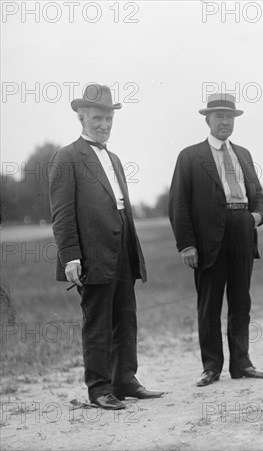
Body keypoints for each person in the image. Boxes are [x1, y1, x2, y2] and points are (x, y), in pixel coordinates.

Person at [49, 84, 163, 410]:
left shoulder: (113, 158)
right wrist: (71, 256)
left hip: (123, 250)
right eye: (97, 118)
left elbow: (120, 206)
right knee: (97, 322)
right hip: (92, 255)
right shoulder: (66, 157)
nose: (104, 125)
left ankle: (124, 379)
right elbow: (62, 214)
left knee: (126, 317)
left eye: (109, 118)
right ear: (81, 117)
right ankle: (99, 388)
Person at [169, 93, 263, 387]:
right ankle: (211, 367)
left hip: (242, 228)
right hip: (207, 237)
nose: (225, 122)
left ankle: (242, 363)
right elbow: (178, 204)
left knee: (241, 301)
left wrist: (256, 217)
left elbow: (259, 196)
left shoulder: (244, 154)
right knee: (210, 304)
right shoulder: (190, 156)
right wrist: (186, 244)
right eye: (219, 117)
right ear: (207, 120)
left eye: (230, 117)